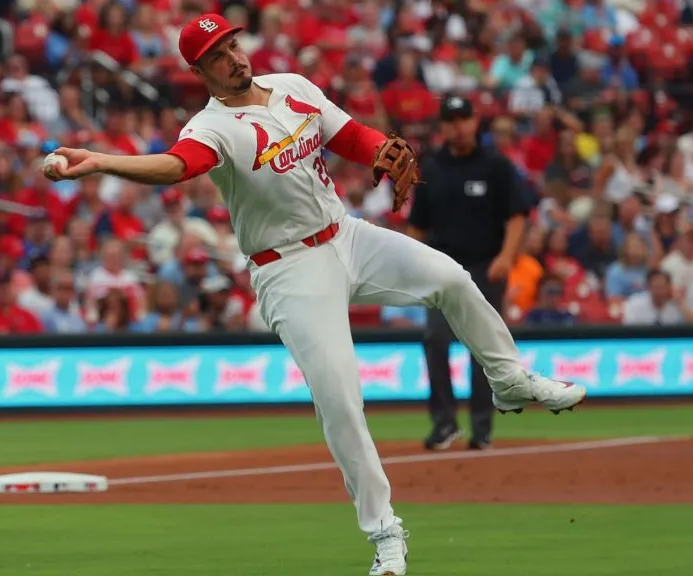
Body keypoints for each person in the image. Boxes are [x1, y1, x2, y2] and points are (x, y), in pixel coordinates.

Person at [44, 14, 586, 576]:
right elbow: (178, 166)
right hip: (289, 268)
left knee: (451, 278)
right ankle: (386, 536)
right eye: (217, 53)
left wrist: (379, 149)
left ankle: (509, 380)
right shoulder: (212, 127)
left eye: (232, 43)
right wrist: (102, 161)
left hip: (345, 235)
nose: (233, 56)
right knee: (340, 399)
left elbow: (350, 135)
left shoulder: (293, 88)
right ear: (200, 70)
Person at [406, 94, 530, 452]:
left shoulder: (495, 166)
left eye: (463, 119)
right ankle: (444, 424)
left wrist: (507, 257)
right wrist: (413, 263)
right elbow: (418, 224)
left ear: (475, 122)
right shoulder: (432, 167)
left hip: (484, 267)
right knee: (434, 339)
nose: (457, 127)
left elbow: (518, 216)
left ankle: (481, 427)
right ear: (442, 126)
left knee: (482, 349)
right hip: (443, 270)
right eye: (450, 121)